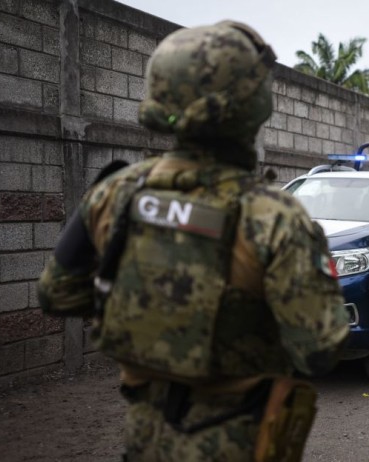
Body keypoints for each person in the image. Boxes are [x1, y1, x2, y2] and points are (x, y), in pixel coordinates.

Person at [37, 21, 349, 461]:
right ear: (250, 104)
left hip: (145, 436)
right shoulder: (273, 217)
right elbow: (318, 348)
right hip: (237, 441)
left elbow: (57, 294)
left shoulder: (115, 192)